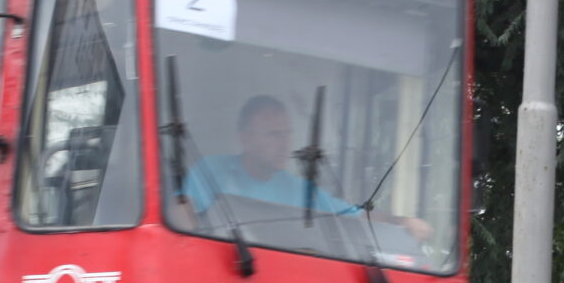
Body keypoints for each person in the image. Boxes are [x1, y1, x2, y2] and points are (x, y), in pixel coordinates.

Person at [182, 94, 436, 247]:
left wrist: (401, 222)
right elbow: (181, 220)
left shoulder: (301, 192)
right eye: (273, 135)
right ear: (246, 139)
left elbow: (353, 216)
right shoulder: (210, 172)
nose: (285, 144)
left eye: (287, 133)